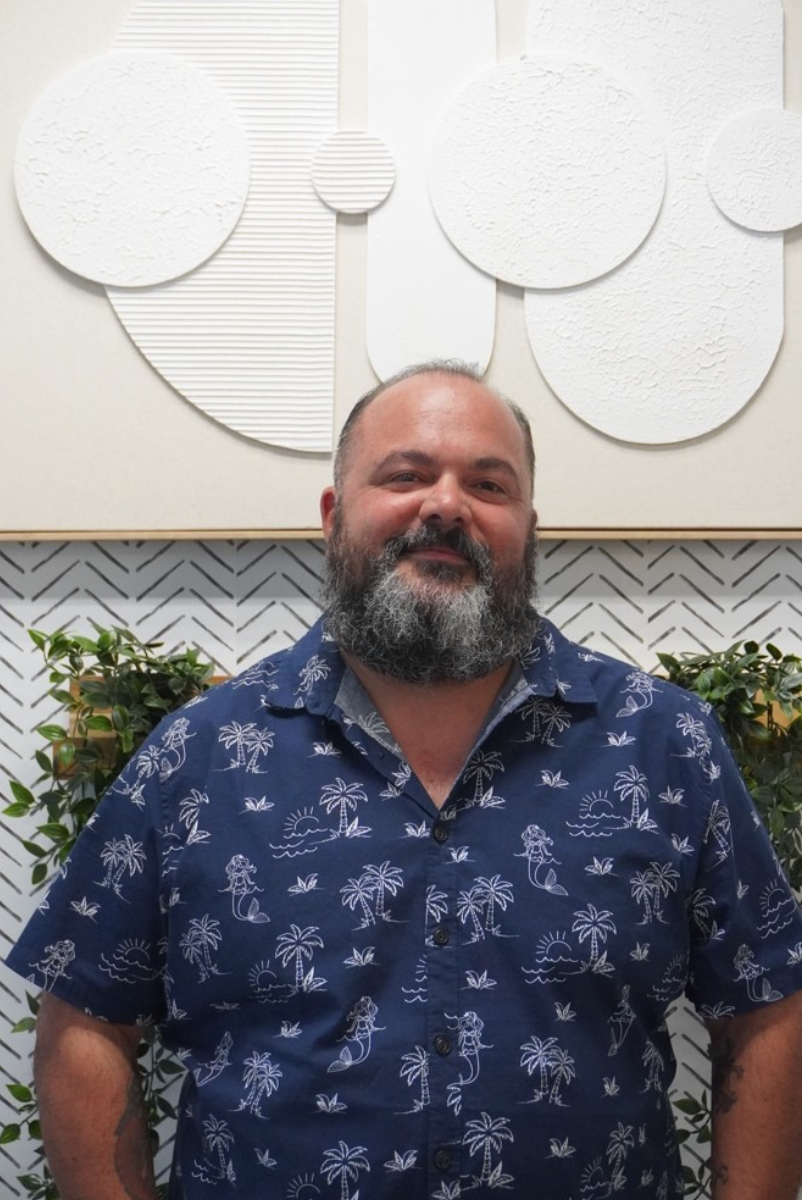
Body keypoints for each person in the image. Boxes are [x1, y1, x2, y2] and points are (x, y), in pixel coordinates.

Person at [7, 361, 802, 1200]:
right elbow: (87, 1019)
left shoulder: (665, 743)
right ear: (333, 516)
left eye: (489, 485)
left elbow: (766, 1006)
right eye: (406, 476)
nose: (446, 505)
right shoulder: (195, 758)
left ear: (529, 528)